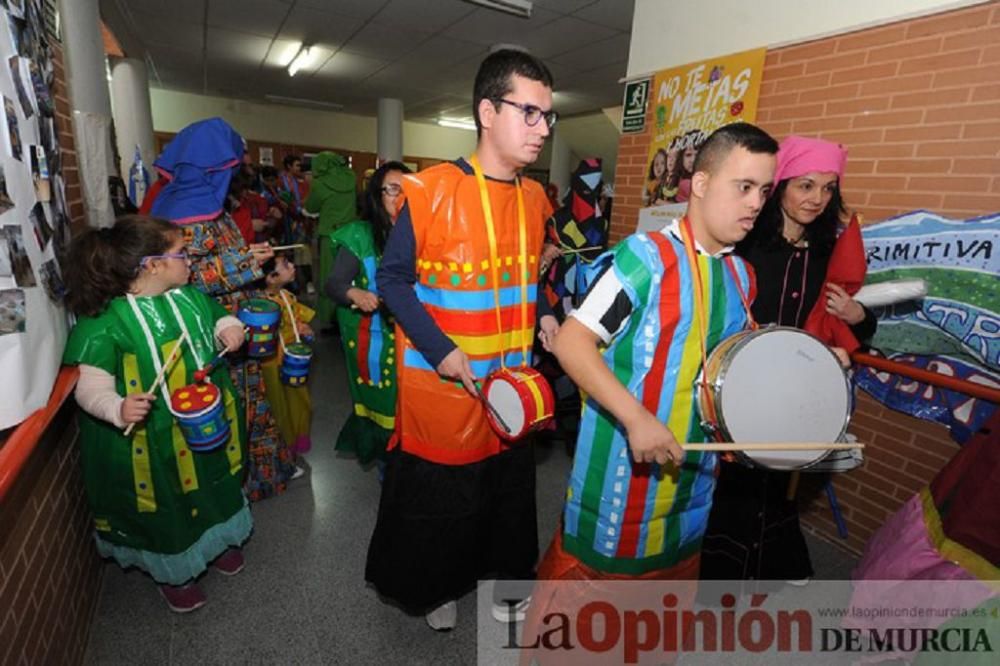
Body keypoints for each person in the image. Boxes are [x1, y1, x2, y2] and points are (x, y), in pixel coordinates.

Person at [520, 123, 778, 659]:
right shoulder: (644, 259)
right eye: (744, 186)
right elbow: (572, 344)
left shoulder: (742, 277)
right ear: (702, 184)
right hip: (619, 494)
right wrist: (636, 418)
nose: (755, 203)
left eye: (764, 191)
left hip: (692, 492)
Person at [365, 49, 559, 631]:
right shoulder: (427, 192)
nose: (542, 129)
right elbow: (393, 281)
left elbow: (527, 274)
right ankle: (439, 587)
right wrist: (442, 350)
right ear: (485, 110)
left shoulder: (534, 197)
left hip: (510, 387)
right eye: (529, 112)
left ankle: (504, 580)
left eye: (548, 116)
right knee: (443, 504)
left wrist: (545, 311)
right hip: (442, 389)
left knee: (507, 498)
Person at [700, 135, 876, 584]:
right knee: (731, 480)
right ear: (780, 185)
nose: (817, 199)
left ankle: (774, 562)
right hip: (736, 380)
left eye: (828, 188)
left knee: (778, 475)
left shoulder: (826, 250)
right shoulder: (745, 241)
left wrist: (857, 317)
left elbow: (848, 324)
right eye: (806, 185)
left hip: (793, 385)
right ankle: (718, 574)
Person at [62, 215, 252, 613]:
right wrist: (115, 407)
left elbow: (218, 316)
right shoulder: (104, 322)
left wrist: (231, 328)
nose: (191, 261)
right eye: (181, 254)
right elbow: (90, 386)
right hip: (148, 445)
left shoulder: (188, 296)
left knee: (213, 484)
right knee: (166, 504)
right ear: (152, 265)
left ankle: (216, 542)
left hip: (204, 427)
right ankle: (175, 574)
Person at [150, 117, 296, 501]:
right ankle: (233, 494)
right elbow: (187, 276)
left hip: (234, 322)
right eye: (233, 163)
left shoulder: (207, 204)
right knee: (229, 410)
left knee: (251, 400)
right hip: (208, 331)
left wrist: (246, 256)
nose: (239, 170)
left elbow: (215, 259)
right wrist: (246, 264)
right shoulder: (184, 212)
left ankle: (260, 479)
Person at [326, 161, 410, 467]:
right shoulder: (359, 235)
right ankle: (390, 473)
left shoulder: (425, 234)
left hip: (417, 342)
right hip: (375, 342)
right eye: (392, 189)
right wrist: (355, 293)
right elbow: (334, 284)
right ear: (377, 195)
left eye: (407, 190)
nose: (400, 196)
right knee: (385, 411)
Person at [260, 253, 315, 460]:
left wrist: (302, 326)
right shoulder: (259, 304)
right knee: (278, 405)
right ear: (271, 278)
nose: (292, 265)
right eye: (285, 265)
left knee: (301, 399)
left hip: (293, 360)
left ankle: (300, 437)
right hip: (272, 363)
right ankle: (286, 446)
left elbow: (297, 318)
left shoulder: (288, 296)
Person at [306, 151, 358, 328]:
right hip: (350, 235)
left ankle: (329, 317)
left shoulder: (320, 184)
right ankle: (346, 314)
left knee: (328, 276)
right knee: (348, 276)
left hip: (329, 235)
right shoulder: (351, 178)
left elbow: (310, 207)